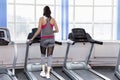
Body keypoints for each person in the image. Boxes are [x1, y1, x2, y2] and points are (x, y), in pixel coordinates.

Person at [30, 6, 59, 79]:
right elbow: (57, 30)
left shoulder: (41, 19)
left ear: (44, 11)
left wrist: (32, 38)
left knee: (43, 56)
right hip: (52, 39)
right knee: (50, 57)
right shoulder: (53, 20)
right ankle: (48, 73)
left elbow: (39, 30)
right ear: (50, 11)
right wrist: (51, 31)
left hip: (44, 40)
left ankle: (43, 72)